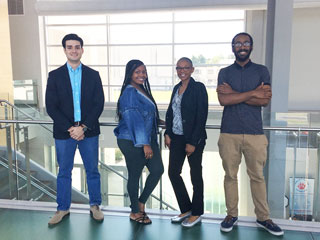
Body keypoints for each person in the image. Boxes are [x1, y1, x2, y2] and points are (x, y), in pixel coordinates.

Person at [216, 32, 284, 236]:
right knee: (230, 176)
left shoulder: (262, 71)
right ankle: (231, 215)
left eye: (246, 43)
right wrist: (253, 92)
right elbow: (224, 101)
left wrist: (235, 94)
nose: (242, 46)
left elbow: (264, 101)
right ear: (233, 47)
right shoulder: (224, 72)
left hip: (255, 133)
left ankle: (263, 218)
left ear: (251, 47)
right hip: (229, 132)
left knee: (257, 177)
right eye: (238, 43)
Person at [45, 33, 105, 226]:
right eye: (69, 47)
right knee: (64, 171)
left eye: (77, 46)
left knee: (92, 170)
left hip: (88, 131)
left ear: (82, 49)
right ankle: (63, 208)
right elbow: (51, 106)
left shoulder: (93, 75)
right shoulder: (54, 76)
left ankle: (95, 205)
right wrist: (71, 128)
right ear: (64, 50)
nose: (73, 50)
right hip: (65, 133)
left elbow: (99, 104)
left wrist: (83, 127)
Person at [114, 59, 164, 225]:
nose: (142, 75)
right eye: (137, 72)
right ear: (130, 74)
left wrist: (161, 122)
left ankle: (140, 202)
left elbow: (146, 115)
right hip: (131, 140)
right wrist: (145, 144)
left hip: (147, 138)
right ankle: (135, 212)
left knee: (157, 170)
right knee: (135, 174)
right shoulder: (129, 92)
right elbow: (133, 119)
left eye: (143, 71)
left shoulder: (141, 89)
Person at [165, 57, 208, 228]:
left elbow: (201, 116)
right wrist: (168, 133)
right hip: (176, 137)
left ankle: (197, 212)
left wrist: (193, 142)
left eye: (186, 67)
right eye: (179, 68)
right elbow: (171, 112)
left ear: (192, 69)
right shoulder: (177, 87)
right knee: (173, 173)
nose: (182, 70)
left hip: (193, 139)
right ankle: (186, 208)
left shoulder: (198, 88)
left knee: (195, 175)